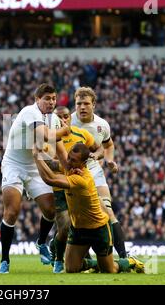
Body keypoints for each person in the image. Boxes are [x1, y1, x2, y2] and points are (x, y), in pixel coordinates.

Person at [33, 143, 144, 273]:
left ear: (83, 163)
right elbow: (52, 165)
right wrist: (41, 153)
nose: (68, 162)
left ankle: (130, 261)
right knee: (71, 269)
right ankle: (92, 264)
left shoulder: (82, 180)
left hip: (98, 228)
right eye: (68, 157)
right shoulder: (71, 168)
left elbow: (50, 179)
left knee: (110, 270)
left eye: (73, 160)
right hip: (79, 229)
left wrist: (36, 156)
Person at [0, 83, 70, 274]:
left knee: (50, 209)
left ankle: (40, 243)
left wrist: (70, 170)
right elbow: (44, 135)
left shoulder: (53, 119)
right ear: (37, 100)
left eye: (53, 98)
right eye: (46, 98)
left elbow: (61, 151)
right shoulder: (29, 112)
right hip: (13, 164)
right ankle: (4, 260)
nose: (51, 102)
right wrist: (65, 131)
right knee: (12, 212)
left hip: (35, 165)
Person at [71, 87, 128, 258]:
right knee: (76, 217)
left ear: (93, 105)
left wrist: (109, 160)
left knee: (108, 212)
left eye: (86, 103)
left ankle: (124, 257)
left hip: (94, 171)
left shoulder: (102, 125)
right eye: (79, 103)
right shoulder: (67, 121)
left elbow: (108, 145)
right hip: (73, 173)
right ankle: (82, 257)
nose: (82, 107)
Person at [47, 106, 104, 273]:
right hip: (61, 187)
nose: (63, 120)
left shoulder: (81, 134)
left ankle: (85, 257)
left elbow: (99, 148)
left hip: (79, 187)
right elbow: (47, 163)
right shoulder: (48, 139)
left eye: (66, 117)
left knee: (85, 222)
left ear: (70, 118)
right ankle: (58, 258)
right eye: (58, 118)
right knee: (64, 227)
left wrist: (96, 156)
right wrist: (63, 164)